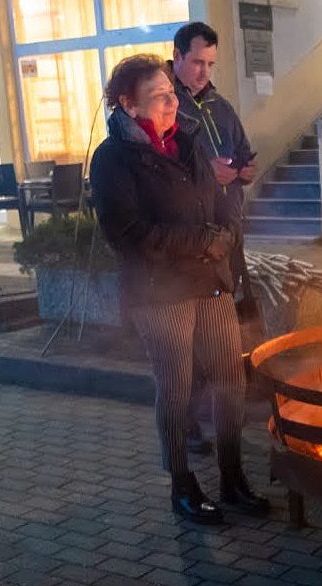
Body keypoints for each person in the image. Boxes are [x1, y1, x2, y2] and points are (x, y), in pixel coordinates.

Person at [91, 54, 269, 526]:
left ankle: (232, 475)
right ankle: (183, 485)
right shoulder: (113, 159)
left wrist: (227, 235)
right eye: (161, 96)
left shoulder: (186, 142)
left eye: (172, 92)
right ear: (129, 106)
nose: (173, 102)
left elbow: (220, 202)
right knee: (177, 388)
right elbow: (129, 232)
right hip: (159, 292)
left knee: (232, 378)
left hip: (210, 281)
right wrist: (201, 243)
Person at [169, 21, 259, 456]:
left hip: (228, 234)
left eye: (210, 64)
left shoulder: (219, 104)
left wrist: (244, 169)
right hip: (191, 243)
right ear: (177, 55)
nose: (205, 72)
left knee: (221, 339)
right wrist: (210, 174)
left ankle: (214, 419)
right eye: (197, 62)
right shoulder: (168, 106)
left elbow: (243, 148)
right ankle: (185, 423)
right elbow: (166, 174)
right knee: (184, 345)